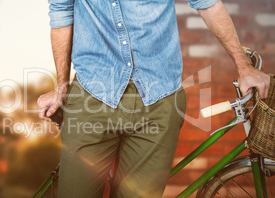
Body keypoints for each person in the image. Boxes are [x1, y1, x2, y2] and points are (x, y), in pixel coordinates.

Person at [37, 0, 270, 197]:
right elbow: (61, 13)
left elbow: (208, 3)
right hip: (92, 95)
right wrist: (61, 86)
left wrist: (244, 67)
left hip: (159, 99)